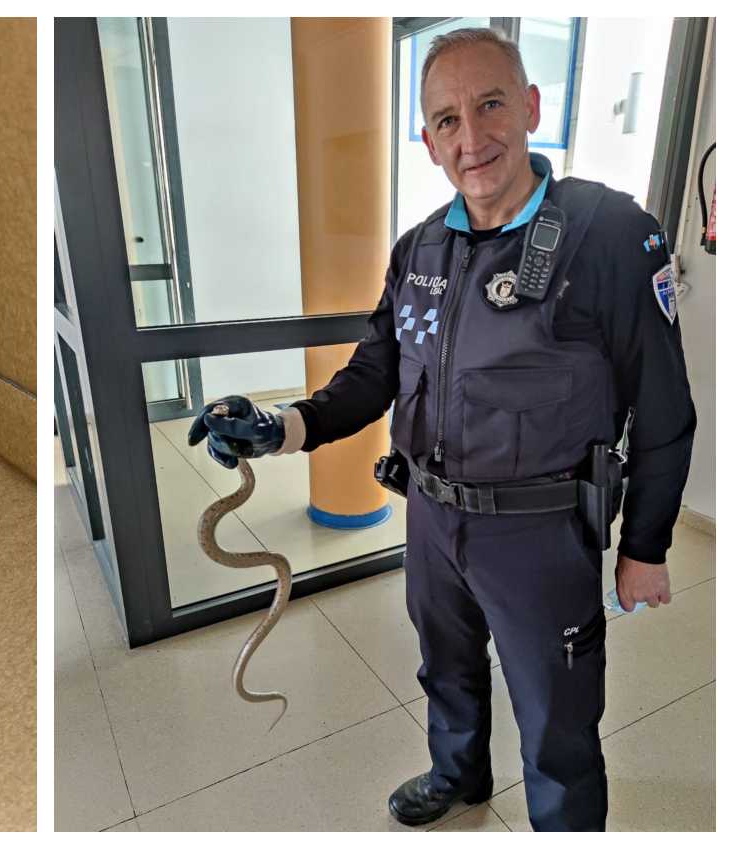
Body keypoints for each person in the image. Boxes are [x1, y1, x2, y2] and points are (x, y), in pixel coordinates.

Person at [187, 27, 695, 832]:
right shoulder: (419, 247)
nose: (472, 136)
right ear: (427, 141)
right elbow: (372, 373)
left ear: (528, 106)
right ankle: (457, 774)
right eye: (446, 120)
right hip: (429, 518)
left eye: (489, 104)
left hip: (540, 533)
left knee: (556, 714)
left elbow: (665, 408)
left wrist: (645, 547)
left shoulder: (608, 235)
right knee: (446, 669)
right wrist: (281, 427)